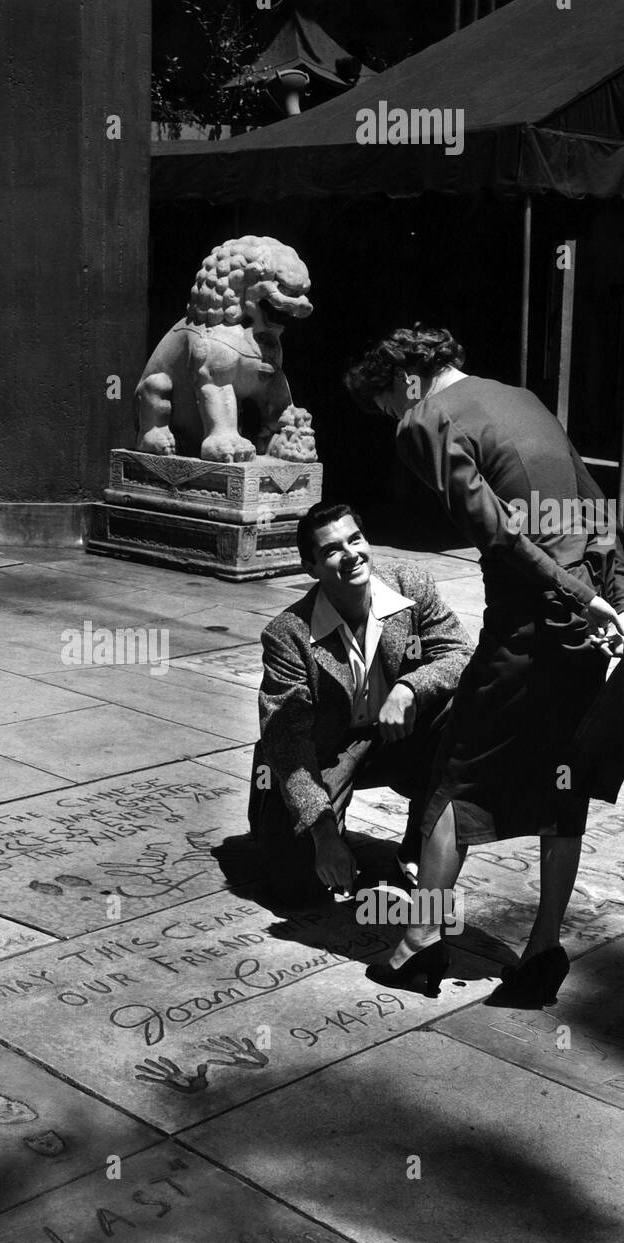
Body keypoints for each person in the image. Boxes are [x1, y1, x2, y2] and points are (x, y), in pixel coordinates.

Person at [344, 325, 624, 1007]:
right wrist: (610, 598)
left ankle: (418, 945)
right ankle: (542, 951)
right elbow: (597, 508)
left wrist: (576, 594)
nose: (389, 417)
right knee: (566, 782)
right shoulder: (518, 397)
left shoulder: (422, 420)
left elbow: (496, 532)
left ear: (400, 380)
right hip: (582, 627)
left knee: (452, 775)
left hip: (533, 618)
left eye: (382, 401)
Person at [225, 501, 473, 923]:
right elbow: (288, 741)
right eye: (332, 550)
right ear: (312, 567)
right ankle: (283, 817)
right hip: (325, 751)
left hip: (395, 735)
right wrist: (322, 832)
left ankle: (421, 844)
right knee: (296, 889)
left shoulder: (410, 586)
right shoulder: (288, 634)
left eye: (355, 539)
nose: (351, 554)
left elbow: (460, 652)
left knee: (460, 709)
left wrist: (409, 688)